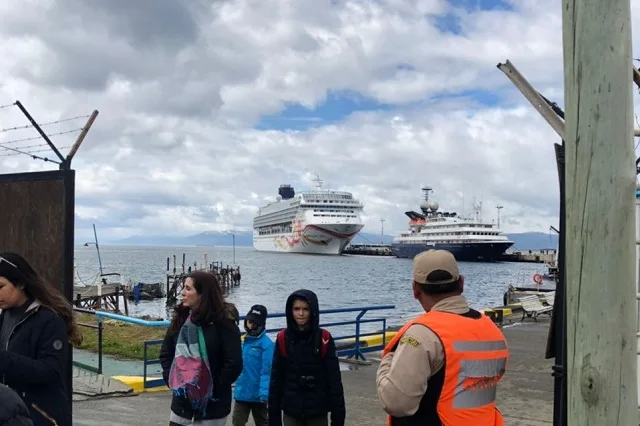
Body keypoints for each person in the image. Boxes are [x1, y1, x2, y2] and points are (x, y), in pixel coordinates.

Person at [376, 250, 509, 425]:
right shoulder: (491, 329)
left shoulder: (424, 335)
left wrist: (388, 361)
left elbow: (397, 403)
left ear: (415, 289)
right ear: (461, 283)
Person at [0, 252, 82, 426]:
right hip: (12, 414)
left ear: (21, 283)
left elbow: (51, 371)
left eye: (0, 286)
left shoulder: (49, 319)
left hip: (42, 416)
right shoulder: (5, 315)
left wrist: (3, 358)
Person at [159, 271, 243, 426]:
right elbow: (166, 353)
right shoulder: (181, 320)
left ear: (203, 294)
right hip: (181, 405)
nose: (182, 293)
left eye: (188, 288)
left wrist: (210, 386)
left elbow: (233, 363)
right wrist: (173, 381)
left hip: (213, 406)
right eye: (184, 288)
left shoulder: (224, 323)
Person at [268, 289, 345, 426]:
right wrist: (274, 420)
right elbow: (276, 382)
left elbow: (335, 383)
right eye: (296, 309)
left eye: (305, 309)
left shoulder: (324, 339)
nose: (301, 314)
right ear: (290, 311)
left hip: (317, 413)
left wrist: (337, 420)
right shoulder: (282, 339)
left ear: (313, 311)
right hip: (291, 412)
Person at [231, 304, 275, 426]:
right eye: (249, 322)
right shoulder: (242, 340)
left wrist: (264, 393)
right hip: (242, 392)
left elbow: (267, 371)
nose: (251, 325)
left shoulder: (267, 345)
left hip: (259, 396)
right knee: (237, 422)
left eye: (255, 323)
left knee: (262, 422)